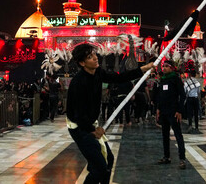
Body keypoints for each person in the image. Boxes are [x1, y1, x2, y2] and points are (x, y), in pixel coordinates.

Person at [66, 43, 154, 184]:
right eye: (90, 57)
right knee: (99, 167)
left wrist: (143, 69)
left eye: (94, 54)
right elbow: (78, 115)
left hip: (89, 124)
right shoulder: (78, 83)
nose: (95, 58)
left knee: (109, 160)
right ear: (82, 63)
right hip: (80, 128)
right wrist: (93, 130)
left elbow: (119, 77)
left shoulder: (98, 72)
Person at [155, 59, 187, 169]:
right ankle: (166, 157)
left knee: (178, 135)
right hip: (163, 112)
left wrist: (179, 111)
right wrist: (158, 109)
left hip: (173, 112)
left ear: (171, 68)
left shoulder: (176, 79)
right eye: (163, 66)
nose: (164, 68)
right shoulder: (162, 80)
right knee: (164, 135)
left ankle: (182, 159)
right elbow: (160, 95)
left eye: (166, 66)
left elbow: (182, 95)